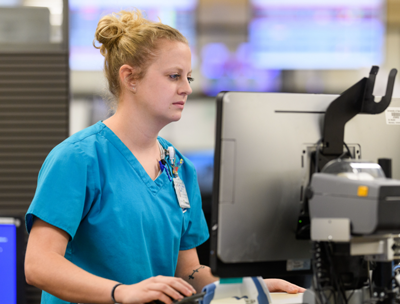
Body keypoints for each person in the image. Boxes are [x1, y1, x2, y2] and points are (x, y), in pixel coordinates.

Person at [24, 9, 305, 304]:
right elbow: (38, 265)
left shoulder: (179, 168)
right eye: (174, 76)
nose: (187, 88)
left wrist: (250, 286)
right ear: (130, 78)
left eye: (188, 77)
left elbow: (189, 272)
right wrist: (122, 293)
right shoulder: (78, 158)